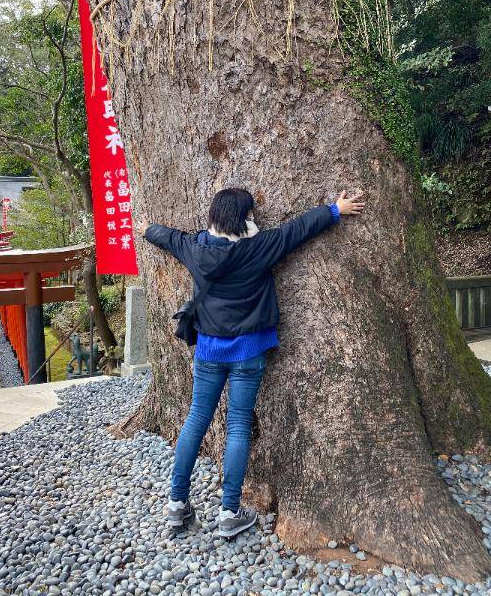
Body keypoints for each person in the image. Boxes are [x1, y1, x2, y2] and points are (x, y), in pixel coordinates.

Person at [137, 188, 365, 539]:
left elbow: (169, 238)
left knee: (196, 420)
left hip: (209, 351)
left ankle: (176, 504)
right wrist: (335, 209)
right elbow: (298, 229)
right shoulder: (260, 247)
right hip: (249, 351)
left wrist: (146, 229)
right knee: (238, 425)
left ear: (214, 216)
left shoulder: (196, 249)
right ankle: (229, 512)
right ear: (244, 218)